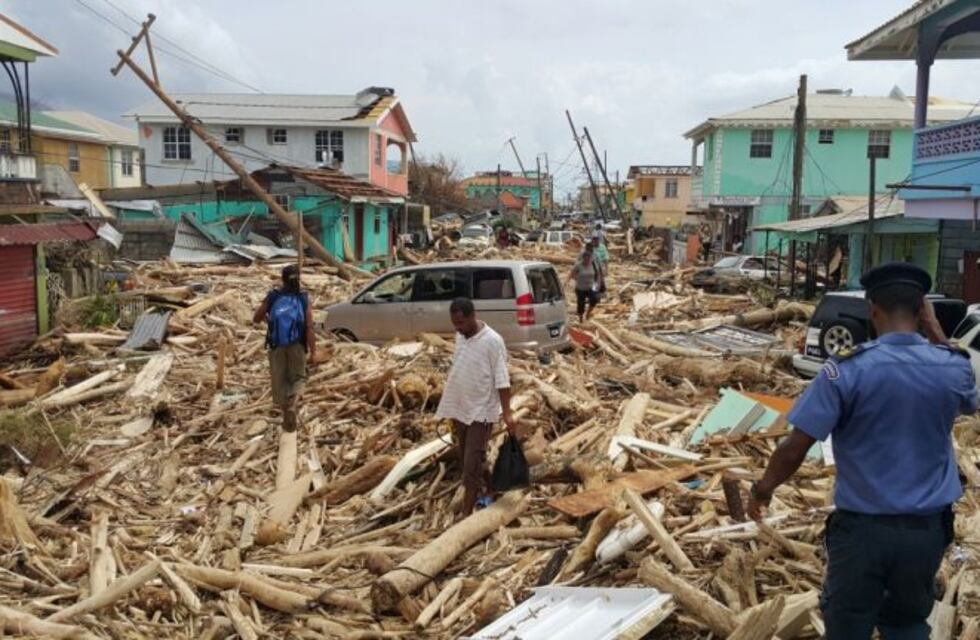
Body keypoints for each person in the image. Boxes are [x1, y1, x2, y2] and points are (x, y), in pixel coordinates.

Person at [746, 262, 977, 639]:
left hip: (863, 533)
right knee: (907, 624)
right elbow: (969, 400)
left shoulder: (846, 370)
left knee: (847, 624)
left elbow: (796, 446)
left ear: (872, 310)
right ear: (922, 310)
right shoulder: (952, 367)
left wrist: (762, 490)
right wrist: (937, 336)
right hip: (926, 533)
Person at [435, 298, 517, 516]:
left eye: (461, 323)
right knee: (470, 459)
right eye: (455, 323)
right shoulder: (461, 336)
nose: (458, 328)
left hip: (482, 411)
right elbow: (460, 367)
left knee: (470, 468)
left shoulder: (492, 341)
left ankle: (466, 515)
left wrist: (507, 413)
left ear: (473, 316)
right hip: (460, 408)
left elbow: (502, 379)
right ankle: (492, 486)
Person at [252, 264, 315, 432]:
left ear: (283, 278)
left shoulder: (273, 296)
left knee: (279, 382)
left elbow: (256, 318)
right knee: (298, 378)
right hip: (297, 345)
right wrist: (313, 351)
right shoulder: (303, 298)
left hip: (276, 345)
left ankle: (286, 415)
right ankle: (294, 405)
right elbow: (309, 326)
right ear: (299, 279)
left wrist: (269, 320)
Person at [568, 243, 604, 323]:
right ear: (583, 258)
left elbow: (598, 273)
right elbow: (571, 273)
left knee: (594, 299)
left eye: (589, 259)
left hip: (591, 286)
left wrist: (598, 283)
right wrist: (574, 278)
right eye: (586, 259)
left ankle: (588, 313)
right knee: (581, 303)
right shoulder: (578, 265)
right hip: (580, 288)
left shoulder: (593, 264)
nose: (587, 261)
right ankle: (581, 318)